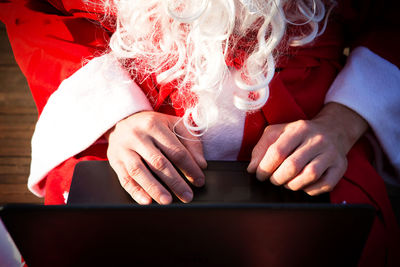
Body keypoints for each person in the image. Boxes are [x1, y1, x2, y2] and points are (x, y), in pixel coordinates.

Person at [1, 0, 399, 265]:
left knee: (351, 247)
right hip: (131, 128)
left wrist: (343, 121)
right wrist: (116, 114)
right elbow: (36, 10)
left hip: (311, 134)